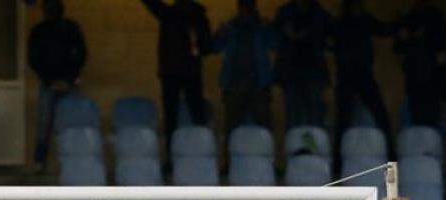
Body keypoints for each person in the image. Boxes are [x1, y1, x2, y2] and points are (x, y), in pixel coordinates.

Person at [140, 0, 212, 153]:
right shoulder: (183, 15)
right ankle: (176, 156)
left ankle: (198, 153)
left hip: (178, 72)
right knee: (180, 117)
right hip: (179, 72)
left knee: (188, 116)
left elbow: (207, 47)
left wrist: (197, 45)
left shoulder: (178, 15)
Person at [28, 0, 87, 172]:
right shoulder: (38, 32)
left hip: (67, 83)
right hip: (49, 84)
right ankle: (40, 162)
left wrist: (68, 80)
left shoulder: (71, 28)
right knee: (44, 125)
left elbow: (81, 54)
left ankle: (73, 161)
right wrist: (51, 81)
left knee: (73, 124)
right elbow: (35, 60)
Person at [331, 0, 395, 153]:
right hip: (348, 75)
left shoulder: (363, 20)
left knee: (379, 115)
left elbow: (385, 29)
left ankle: (392, 156)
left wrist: (399, 22)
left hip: (361, 73)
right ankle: (337, 163)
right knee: (343, 120)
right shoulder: (340, 23)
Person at [213, 0, 277, 132]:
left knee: (263, 126)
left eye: (249, 7)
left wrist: (270, 28)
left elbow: (275, 44)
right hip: (234, 84)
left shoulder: (262, 27)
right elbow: (215, 48)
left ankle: (264, 150)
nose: (245, 11)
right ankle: (231, 151)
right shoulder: (230, 27)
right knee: (232, 127)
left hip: (258, 84)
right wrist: (218, 35)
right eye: (243, 7)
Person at [273, 0, 332, 127]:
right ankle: (298, 145)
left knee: (314, 117)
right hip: (292, 73)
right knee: (294, 117)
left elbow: (330, 39)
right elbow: (275, 37)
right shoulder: (285, 13)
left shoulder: (320, 14)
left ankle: (313, 145)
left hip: (313, 72)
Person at [394, 0, 446, 127]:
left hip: (432, 81)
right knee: (416, 119)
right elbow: (400, 52)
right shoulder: (408, 19)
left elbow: (443, 56)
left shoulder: (436, 17)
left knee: (433, 119)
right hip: (414, 81)